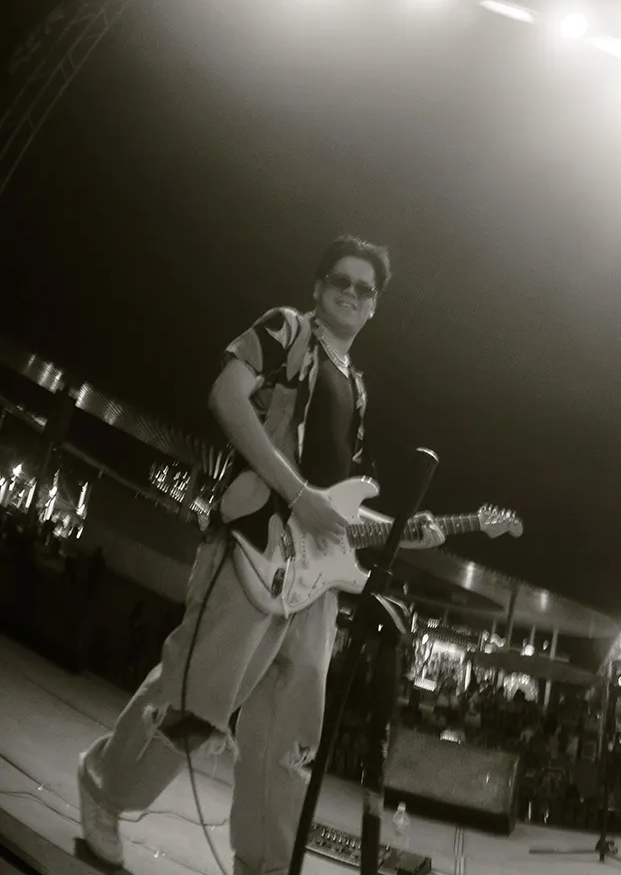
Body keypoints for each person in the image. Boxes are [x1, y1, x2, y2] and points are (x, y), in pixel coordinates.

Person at [78, 236, 446, 875]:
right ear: (317, 285)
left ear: (375, 307)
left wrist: (406, 531)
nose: (352, 293)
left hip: (312, 580)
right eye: (341, 280)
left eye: (366, 289)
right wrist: (297, 494)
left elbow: (342, 506)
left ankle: (265, 864)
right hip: (254, 549)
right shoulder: (287, 329)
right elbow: (225, 397)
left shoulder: (357, 389)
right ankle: (106, 788)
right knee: (195, 701)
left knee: (290, 740)